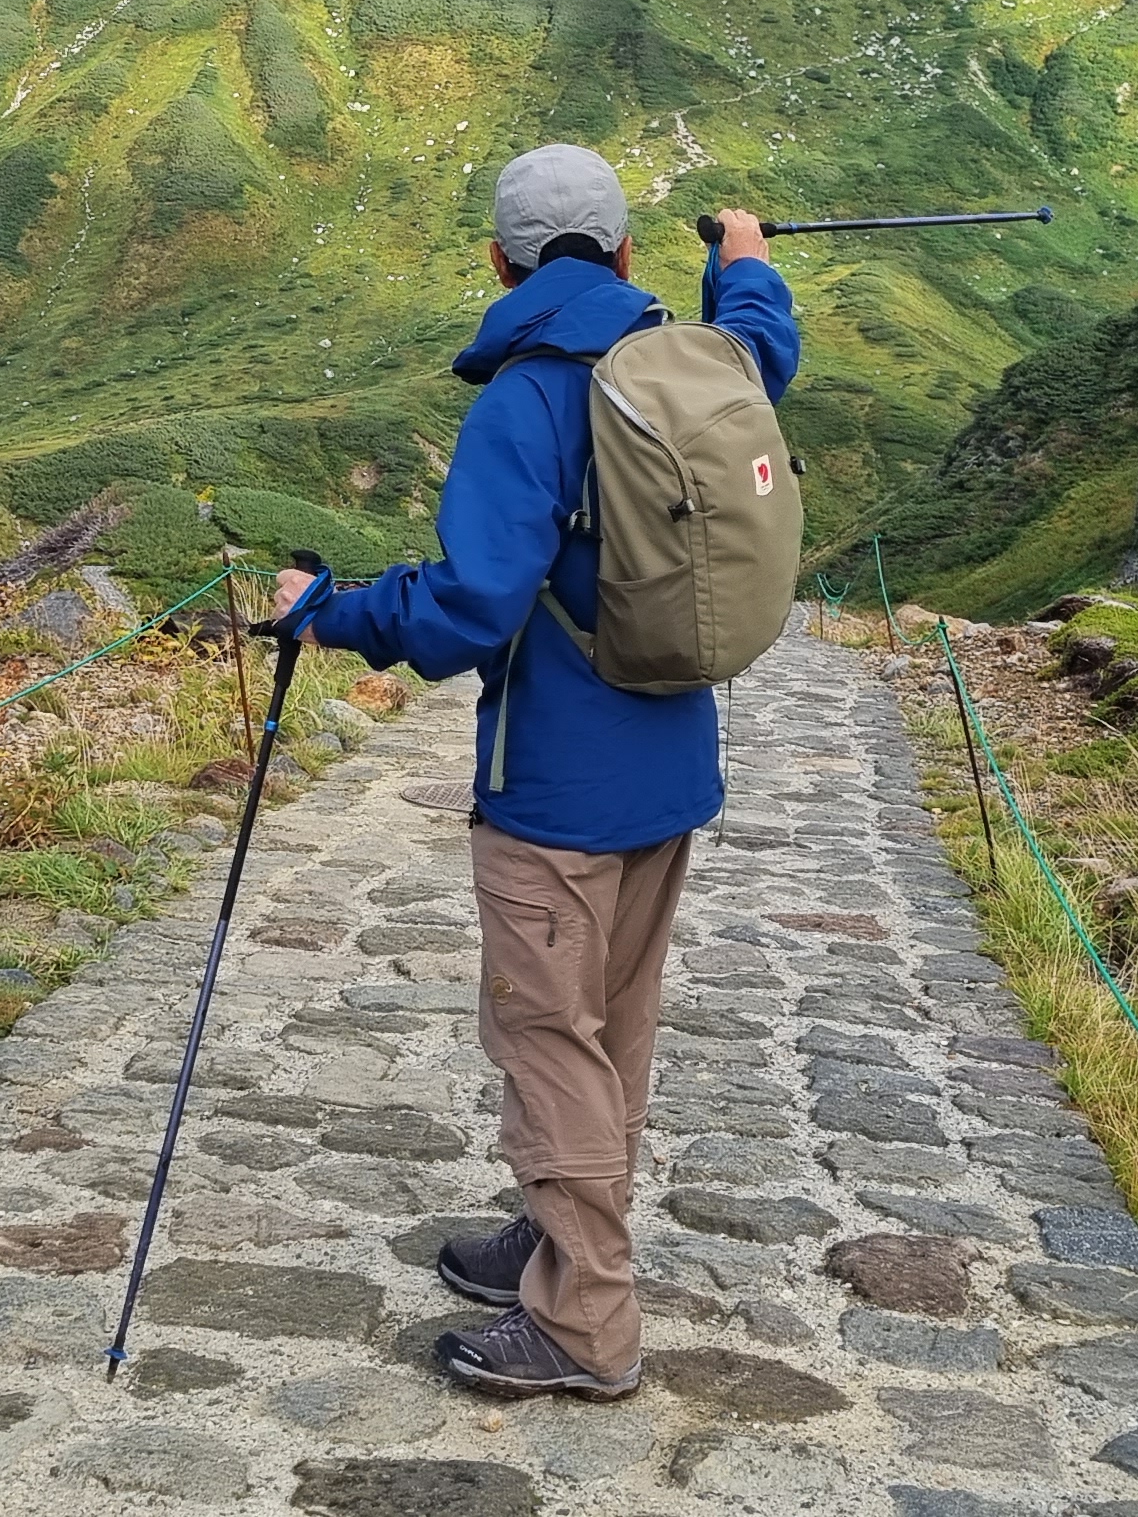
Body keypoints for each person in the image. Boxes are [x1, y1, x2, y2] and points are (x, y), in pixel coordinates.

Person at [271, 144, 796, 1399]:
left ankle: (584, 1325)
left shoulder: (526, 400)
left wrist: (325, 613)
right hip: (669, 770)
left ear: (501, 264)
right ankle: (557, 1237)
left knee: (549, 1040)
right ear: (624, 253)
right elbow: (765, 347)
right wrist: (744, 260)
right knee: (611, 1027)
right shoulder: (700, 362)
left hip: (555, 791)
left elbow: (469, 609)